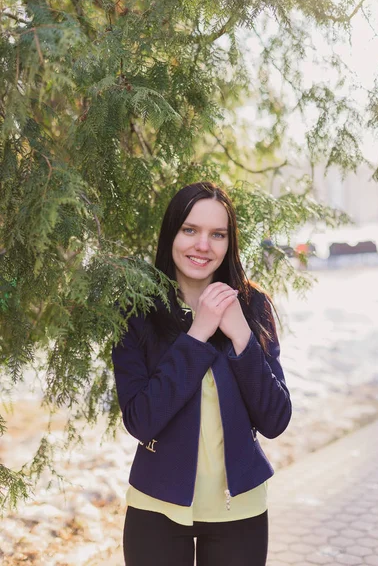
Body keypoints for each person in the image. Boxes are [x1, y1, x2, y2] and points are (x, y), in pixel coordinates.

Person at [112, 181, 292, 566]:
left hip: (238, 509)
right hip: (156, 507)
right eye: (190, 230)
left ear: (229, 243)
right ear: (171, 233)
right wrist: (198, 334)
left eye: (217, 234)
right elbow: (141, 419)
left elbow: (275, 419)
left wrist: (240, 333)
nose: (203, 245)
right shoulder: (136, 309)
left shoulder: (252, 304)